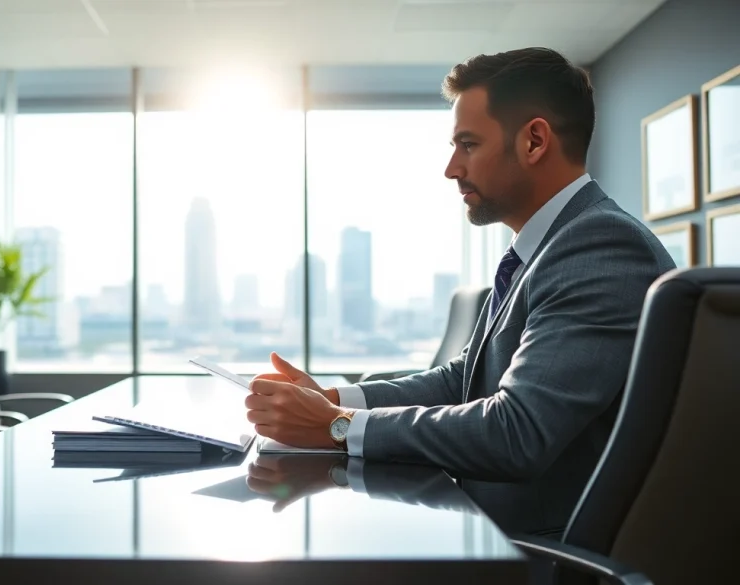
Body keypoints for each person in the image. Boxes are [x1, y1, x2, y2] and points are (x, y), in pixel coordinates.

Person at [245, 47, 676, 535]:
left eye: (468, 144)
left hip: (532, 548)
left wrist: (337, 425)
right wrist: (333, 399)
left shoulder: (599, 246)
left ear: (534, 141)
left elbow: (517, 432)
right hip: (489, 527)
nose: (452, 168)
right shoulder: (547, 245)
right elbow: (463, 380)